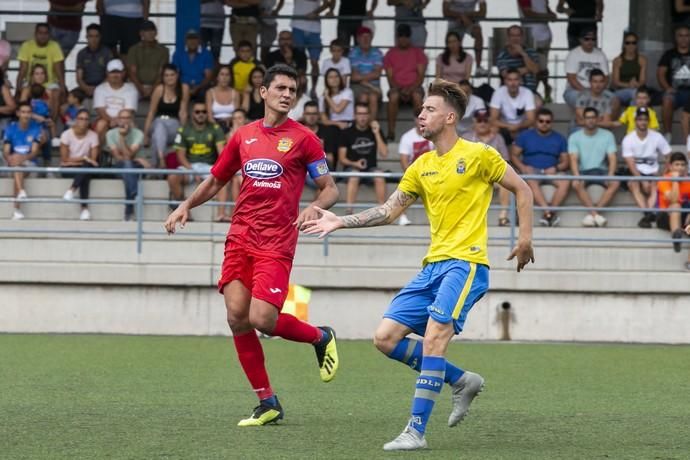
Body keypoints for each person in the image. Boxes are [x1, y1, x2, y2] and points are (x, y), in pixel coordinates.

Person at [300, 78, 535, 452]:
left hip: (466, 264)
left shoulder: (479, 155)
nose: (421, 114)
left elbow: (522, 189)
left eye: (429, 109)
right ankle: (461, 380)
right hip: (432, 267)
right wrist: (339, 220)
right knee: (385, 339)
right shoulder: (421, 166)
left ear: (450, 116)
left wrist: (524, 238)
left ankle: (416, 430)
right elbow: (387, 211)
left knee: (434, 339)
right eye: (421, 108)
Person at [164, 64, 340, 426]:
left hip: (276, 241)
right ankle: (267, 402)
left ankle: (320, 336)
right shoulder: (243, 135)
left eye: (292, 89)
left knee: (263, 319)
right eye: (280, 88)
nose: (287, 94)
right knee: (237, 318)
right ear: (263, 92)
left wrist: (313, 207)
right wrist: (185, 205)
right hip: (240, 236)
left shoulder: (305, 138)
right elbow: (216, 180)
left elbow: (331, 188)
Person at [511, 107, 570, 227]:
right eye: (541, 121)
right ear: (536, 122)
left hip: (551, 171)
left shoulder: (560, 138)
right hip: (531, 171)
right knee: (531, 181)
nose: (544, 124)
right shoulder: (525, 136)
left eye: (547, 121)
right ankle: (549, 214)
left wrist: (557, 168)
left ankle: (548, 214)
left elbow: (566, 162)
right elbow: (514, 155)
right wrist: (522, 167)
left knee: (566, 181)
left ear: (551, 123)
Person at [167, 101, 226, 219]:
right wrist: (193, 171)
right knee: (173, 177)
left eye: (204, 111)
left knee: (223, 177)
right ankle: (185, 211)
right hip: (190, 166)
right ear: (192, 114)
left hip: (210, 166)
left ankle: (221, 214)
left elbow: (222, 154)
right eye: (197, 112)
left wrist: (216, 170)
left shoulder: (215, 129)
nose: (201, 114)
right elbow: (180, 156)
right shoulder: (184, 130)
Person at [568, 106, 619, 227]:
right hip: (583, 171)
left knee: (615, 182)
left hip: (602, 171)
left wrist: (610, 175)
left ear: (598, 119)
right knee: (576, 183)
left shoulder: (607, 135)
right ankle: (596, 215)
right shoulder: (574, 137)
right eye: (588, 118)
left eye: (593, 118)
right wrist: (576, 175)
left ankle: (593, 214)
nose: (590, 120)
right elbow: (573, 158)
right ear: (583, 120)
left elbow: (612, 157)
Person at [621, 107, 672, 228]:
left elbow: (669, 155)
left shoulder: (657, 136)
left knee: (656, 184)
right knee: (633, 184)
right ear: (635, 121)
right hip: (636, 172)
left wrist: (663, 172)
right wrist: (642, 180)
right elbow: (631, 164)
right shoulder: (628, 139)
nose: (642, 122)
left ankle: (647, 217)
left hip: (652, 171)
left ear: (648, 121)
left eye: (645, 119)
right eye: (640, 119)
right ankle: (649, 214)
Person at [461, 108, 511, 226]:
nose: (482, 123)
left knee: (507, 183)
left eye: (485, 120)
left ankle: (503, 216)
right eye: (479, 120)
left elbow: (506, 159)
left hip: (493, 175)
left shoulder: (498, 138)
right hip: (471, 174)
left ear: (490, 122)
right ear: (474, 122)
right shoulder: (466, 137)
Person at [338, 102, 388, 214]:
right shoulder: (346, 133)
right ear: (355, 115)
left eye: (365, 114)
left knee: (379, 175)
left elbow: (384, 153)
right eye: (360, 114)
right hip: (352, 169)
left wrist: (376, 133)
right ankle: (349, 210)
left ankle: (382, 211)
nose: (362, 117)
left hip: (370, 169)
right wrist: (355, 164)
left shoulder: (375, 131)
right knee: (355, 174)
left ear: (369, 115)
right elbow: (342, 159)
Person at [383, 23, 428, 141]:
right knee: (393, 97)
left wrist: (411, 88)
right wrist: (399, 89)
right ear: (397, 37)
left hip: (415, 87)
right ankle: (391, 132)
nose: (403, 39)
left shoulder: (418, 53)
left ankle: (423, 130)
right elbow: (390, 77)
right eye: (401, 36)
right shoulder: (390, 54)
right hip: (397, 88)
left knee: (417, 96)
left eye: (406, 36)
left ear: (410, 37)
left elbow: (421, 76)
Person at [143, 64, 190, 168]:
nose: (169, 78)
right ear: (163, 77)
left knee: (156, 136)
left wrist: (184, 133)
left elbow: (183, 112)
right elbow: (151, 112)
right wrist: (146, 134)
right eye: (166, 75)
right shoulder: (159, 89)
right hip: (158, 122)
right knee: (159, 127)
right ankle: (161, 158)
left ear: (177, 75)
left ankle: (155, 165)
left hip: (174, 124)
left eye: (172, 75)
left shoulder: (183, 88)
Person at [2, 103, 43, 220]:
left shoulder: (36, 129)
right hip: (14, 163)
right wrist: (10, 158)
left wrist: (22, 158)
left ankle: (17, 209)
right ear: (18, 113)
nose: (26, 115)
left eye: (29, 112)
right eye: (23, 112)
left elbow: (34, 152)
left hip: (30, 165)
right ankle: (21, 192)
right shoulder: (10, 129)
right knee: (17, 166)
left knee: (17, 166)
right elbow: (6, 151)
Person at [16, 23, 65, 120]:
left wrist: (63, 87)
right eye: (40, 33)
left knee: (55, 93)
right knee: (25, 92)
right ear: (35, 34)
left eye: (46, 33)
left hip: (49, 82)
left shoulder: (54, 46)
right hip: (31, 81)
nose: (43, 36)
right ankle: (22, 120)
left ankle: (51, 121)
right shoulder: (27, 45)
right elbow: (22, 69)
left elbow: (59, 70)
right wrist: (18, 87)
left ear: (49, 35)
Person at [107, 109, 148, 221]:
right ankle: (135, 193)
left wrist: (122, 138)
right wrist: (121, 137)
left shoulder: (138, 133)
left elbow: (128, 156)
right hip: (119, 166)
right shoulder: (110, 134)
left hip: (137, 166)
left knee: (128, 170)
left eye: (127, 118)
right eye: (122, 118)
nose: (124, 120)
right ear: (117, 120)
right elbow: (118, 157)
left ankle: (128, 214)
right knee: (127, 167)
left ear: (131, 120)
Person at [60, 109, 100, 221]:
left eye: (86, 119)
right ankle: (84, 209)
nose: (83, 121)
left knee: (85, 170)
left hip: (83, 167)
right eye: (81, 118)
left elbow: (93, 159)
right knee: (85, 171)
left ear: (89, 122)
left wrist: (82, 161)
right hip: (69, 169)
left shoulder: (93, 135)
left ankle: (72, 190)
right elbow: (64, 159)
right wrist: (83, 158)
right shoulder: (66, 134)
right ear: (76, 120)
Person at [397, 107, 434, 226]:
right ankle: (402, 216)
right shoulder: (407, 137)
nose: (422, 121)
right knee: (403, 184)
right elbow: (403, 161)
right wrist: (413, 176)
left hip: (433, 172)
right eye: (420, 118)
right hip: (413, 173)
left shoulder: (434, 135)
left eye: (425, 118)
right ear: (415, 120)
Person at [517, 0, 557, 100]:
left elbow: (546, 8)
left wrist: (551, 14)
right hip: (530, 35)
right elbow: (527, 12)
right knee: (532, 67)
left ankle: (543, 90)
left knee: (542, 66)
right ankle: (535, 92)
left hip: (544, 35)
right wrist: (547, 16)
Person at [290, 0, 332, 95]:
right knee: (299, 62)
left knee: (314, 61)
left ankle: (313, 89)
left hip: (314, 29)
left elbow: (328, 3)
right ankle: (300, 89)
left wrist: (315, 12)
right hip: (298, 26)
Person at [93, 59, 139, 143]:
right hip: (105, 119)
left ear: (124, 73)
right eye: (112, 72)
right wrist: (111, 120)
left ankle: (130, 154)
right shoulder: (100, 88)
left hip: (126, 119)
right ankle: (97, 154)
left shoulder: (131, 89)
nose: (115, 75)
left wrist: (118, 121)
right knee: (100, 125)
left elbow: (129, 111)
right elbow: (100, 110)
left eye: (118, 72)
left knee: (131, 125)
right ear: (107, 73)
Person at [658, 25, 690, 141]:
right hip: (675, 91)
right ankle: (668, 135)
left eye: (687, 35)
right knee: (667, 99)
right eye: (680, 35)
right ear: (676, 38)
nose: (684, 38)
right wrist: (667, 88)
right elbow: (660, 74)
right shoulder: (669, 54)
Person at [563, 28, 609, 109]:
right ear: (580, 40)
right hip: (575, 90)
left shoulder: (601, 55)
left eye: (593, 39)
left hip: (598, 90)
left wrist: (597, 91)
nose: (590, 41)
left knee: (615, 100)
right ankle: (582, 121)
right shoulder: (573, 54)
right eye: (587, 39)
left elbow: (606, 77)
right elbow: (571, 79)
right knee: (585, 100)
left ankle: (606, 121)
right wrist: (587, 92)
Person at [489, 68, 536, 146]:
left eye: (516, 79)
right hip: (504, 126)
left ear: (520, 81)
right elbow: (493, 119)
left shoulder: (527, 93)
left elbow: (531, 119)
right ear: (505, 81)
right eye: (510, 80)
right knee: (493, 128)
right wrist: (509, 127)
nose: (513, 83)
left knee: (533, 128)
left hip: (522, 126)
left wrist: (518, 127)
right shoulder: (498, 93)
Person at [656, 152, 690, 256]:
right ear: (670, 166)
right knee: (676, 205)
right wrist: (675, 181)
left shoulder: (688, 180)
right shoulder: (664, 180)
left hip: (684, 216)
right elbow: (674, 200)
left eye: (682, 165)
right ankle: (676, 235)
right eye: (677, 164)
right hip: (665, 217)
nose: (680, 168)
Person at [126, 20, 169, 99]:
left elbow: (161, 73)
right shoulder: (133, 49)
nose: (150, 33)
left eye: (152, 30)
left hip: (157, 85)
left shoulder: (164, 50)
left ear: (156, 33)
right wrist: (141, 88)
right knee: (128, 94)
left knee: (164, 92)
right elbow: (132, 73)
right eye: (146, 31)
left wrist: (152, 89)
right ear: (141, 33)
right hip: (137, 85)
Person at [443, 0, 487, 75]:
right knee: (452, 40)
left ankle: (478, 67)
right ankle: (451, 66)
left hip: (470, 20)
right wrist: (462, 16)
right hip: (455, 21)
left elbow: (483, 12)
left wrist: (465, 16)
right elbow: (445, 12)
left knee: (478, 33)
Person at [349, 26, 384, 121]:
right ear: (358, 39)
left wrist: (364, 81)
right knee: (363, 97)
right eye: (362, 37)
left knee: (373, 97)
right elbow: (354, 77)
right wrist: (368, 79)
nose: (365, 39)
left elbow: (377, 74)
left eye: (368, 37)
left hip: (373, 86)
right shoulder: (353, 53)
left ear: (371, 38)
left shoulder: (377, 52)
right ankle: (360, 124)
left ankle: (371, 127)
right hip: (358, 86)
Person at [496, 25, 541, 96]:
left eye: (518, 35)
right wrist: (528, 69)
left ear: (522, 37)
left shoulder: (531, 52)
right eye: (512, 35)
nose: (515, 38)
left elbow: (535, 70)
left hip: (530, 92)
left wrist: (523, 53)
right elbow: (506, 74)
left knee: (538, 103)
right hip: (509, 93)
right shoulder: (502, 54)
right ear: (508, 37)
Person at [172, 29, 214, 101]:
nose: (192, 42)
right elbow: (176, 73)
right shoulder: (178, 53)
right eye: (190, 39)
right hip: (183, 85)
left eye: (195, 39)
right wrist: (185, 88)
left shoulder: (206, 54)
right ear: (185, 41)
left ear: (199, 40)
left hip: (201, 86)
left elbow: (208, 77)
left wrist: (197, 87)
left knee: (204, 93)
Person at [610, 32, 647, 113]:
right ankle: (632, 120)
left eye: (633, 43)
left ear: (637, 45)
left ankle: (632, 119)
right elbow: (615, 82)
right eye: (628, 43)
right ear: (624, 45)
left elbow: (642, 80)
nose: (631, 45)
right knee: (636, 94)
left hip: (636, 89)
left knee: (636, 95)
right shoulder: (618, 60)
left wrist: (636, 84)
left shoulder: (642, 60)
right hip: (620, 91)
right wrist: (629, 85)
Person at [76, 23, 114, 97]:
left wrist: (97, 89)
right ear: (86, 37)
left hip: (104, 86)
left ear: (100, 37)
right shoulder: (81, 53)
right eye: (91, 36)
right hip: (86, 86)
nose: (94, 39)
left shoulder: (107, 52)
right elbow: (79, 78)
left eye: (96, 36)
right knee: (70, 97)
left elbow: (110, 76)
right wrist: (86, 88)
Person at [302, 100, 339, 170]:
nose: (311, 117)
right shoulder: (297, 131)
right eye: (308, 114)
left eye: (314, 114)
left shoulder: (327, 132)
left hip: (320, 168)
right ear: (303, 114)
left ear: (318, 115)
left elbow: (330, 160)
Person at [206, 65, 241, 135]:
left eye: (227, 75)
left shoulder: (235, 93)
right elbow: (209, 117)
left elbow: (237, 114)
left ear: (230, 77)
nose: (224, 77)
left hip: (231, 124)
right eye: (222, 74)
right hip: (214, 125)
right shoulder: (210, 93)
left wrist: (230, 119)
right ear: (217, 77)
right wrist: (218, 129)